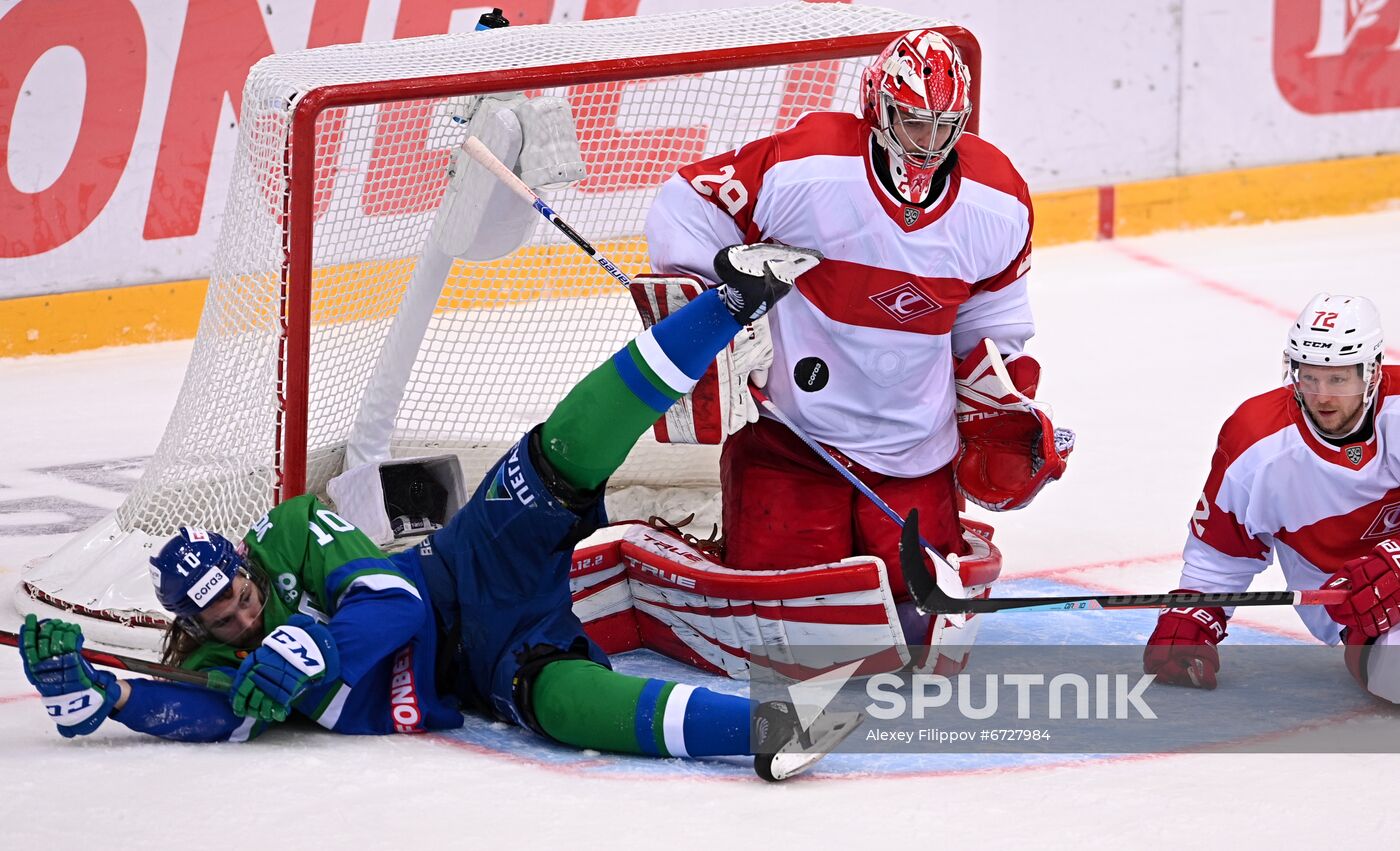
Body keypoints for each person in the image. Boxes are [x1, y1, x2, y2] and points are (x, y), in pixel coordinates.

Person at [18, 244, 861, 782]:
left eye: (240, 593)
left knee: (556, 455)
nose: (241, 614)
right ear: (195, 623)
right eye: (223, 617)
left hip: (465, 564)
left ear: (243, 561)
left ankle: (731, 300)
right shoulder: (217, 658)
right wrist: (105, 693)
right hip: (473, 670)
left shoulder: (287, 533)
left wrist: (308, 643)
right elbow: (205, 711)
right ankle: (767, 726)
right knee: (564, 707)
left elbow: (395, 599)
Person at [643, 28, 1069, 605]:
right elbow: (686, 201)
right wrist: (722, 297)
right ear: (876, 107)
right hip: (792, 436)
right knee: (782, 608)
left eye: (946, 126)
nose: (930, 142)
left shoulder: (997, 200)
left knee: (915, 619)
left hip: (916, 447)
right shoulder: (807, 166)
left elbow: (992, 323)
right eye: (914, 121)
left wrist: (1005, 400)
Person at [1145, 293, 1400, 703]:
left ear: (1370, 373)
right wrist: (1195, 616)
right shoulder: (1256, 440)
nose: (1322, 398)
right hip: (1361, 611)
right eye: (1309, 377)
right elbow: (1221, 553)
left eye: (1338, 379)